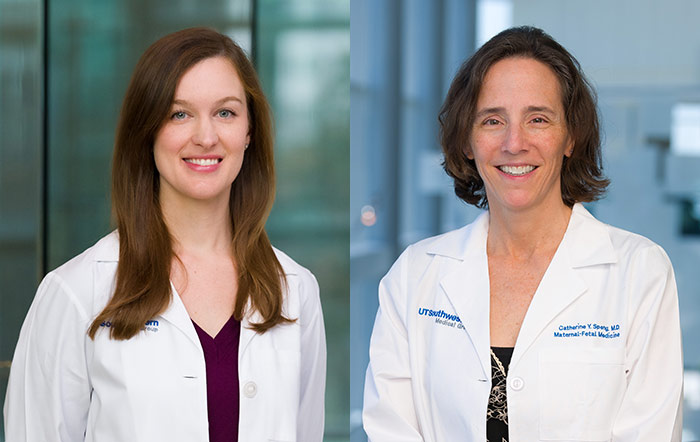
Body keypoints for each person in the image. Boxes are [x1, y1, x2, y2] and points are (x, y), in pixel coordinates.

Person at [4, 28, 326, 442]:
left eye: (226, 112)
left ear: (250, 131)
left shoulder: (295, 290)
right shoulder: (75, 292)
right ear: (147, 131)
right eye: (179, 114)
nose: (206, 137)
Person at [363, 26, 682, 442]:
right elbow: (391, 429)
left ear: (570, 136)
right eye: (493, 120)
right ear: (467, 141)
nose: (515, 143)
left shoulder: (641, 273)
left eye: (538, 119)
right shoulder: (414, 276)